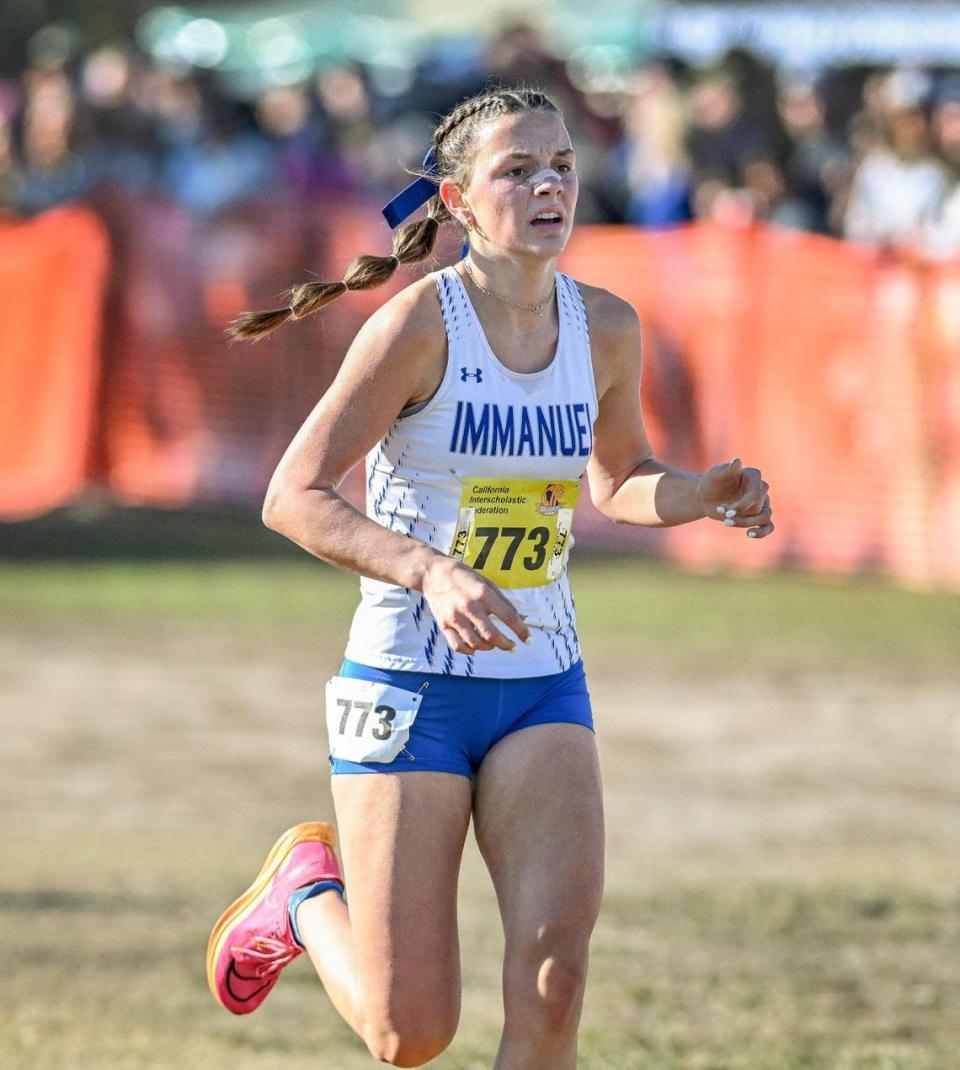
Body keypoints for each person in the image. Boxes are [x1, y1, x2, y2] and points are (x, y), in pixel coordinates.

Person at [205, 86, 774, 1069]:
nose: (549, 184)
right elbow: (292, 494)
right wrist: (427, 570)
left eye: (560, 165)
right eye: (518, 169)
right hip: (407, 680)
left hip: (541, 677)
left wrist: (700, 492)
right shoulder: (420, 326)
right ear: (461, 201)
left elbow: (618, 479)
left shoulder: (606, 327)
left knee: (555, 982)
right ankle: (302, 895)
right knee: (408, 1030)